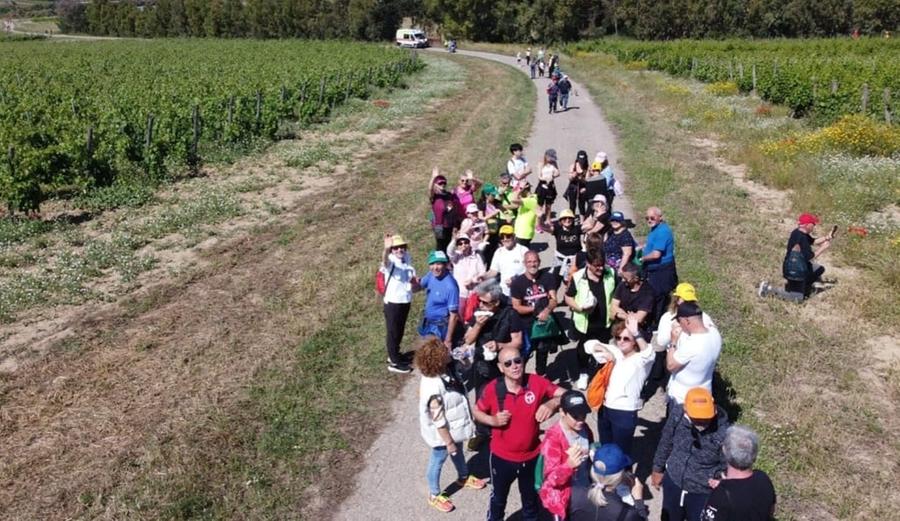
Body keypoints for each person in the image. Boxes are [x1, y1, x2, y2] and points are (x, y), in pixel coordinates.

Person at [474, 346, 565, 521]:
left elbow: (567, 395)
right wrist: (492, 420)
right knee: (498, 499)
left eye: (517, 361)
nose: (514, 366)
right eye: (508, 363)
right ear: (500, 368)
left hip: (531, 457)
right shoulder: (493, 389)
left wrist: (552, 403)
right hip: (501, 458)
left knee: (530, 501)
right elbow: (477, 411)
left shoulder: (536, 382)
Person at [416, 337, 487, 512]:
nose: (449, 351)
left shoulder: (447, 369)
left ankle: (463, 476)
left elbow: (466, 368)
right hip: (441, 434)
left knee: (458, 450)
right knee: (438, 459)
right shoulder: (433, 387)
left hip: (454, 427)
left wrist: (465, 359)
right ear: (438, 360)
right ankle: (434, 494)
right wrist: (448, 442)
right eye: (445, 352)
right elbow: (438, 419)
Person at [652, 387, 729, 521]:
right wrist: (657, 468)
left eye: (706, 418)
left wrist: (720, 483)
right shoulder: (678, 414)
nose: (701, 422)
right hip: (673, 482)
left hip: (702, 493)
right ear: (686, 410)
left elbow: (727, 466)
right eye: (696, 419)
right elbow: (666, 441)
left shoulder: (725, 433)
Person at [464, 279, 524, 451]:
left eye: (485, 302)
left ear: (496, 302)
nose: (481, 305)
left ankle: (507, 429)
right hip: (482, 363)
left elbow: (517, 342)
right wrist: (478, 324)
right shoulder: (479, 313)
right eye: (480, 301)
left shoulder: (510, 314)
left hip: (504, 364)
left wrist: (499, 346)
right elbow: (468, 340)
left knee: (505, 397)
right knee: (482, 397)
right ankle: (482, 432)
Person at [591, 317, 655, 458]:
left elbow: (649, 354)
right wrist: (604, 350)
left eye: (626, 339)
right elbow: (590, 345)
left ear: (635, 342)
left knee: (621, 454)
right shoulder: (616, 353)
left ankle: (625, 472)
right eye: (618, 337)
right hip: (605, 408)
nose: (621, 341)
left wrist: (636, 333)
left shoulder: (641, 361)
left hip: (625, 412)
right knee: (605, 448)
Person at [700, 425, 777, 521]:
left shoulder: (721, 495)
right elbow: (770, 512)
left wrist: (724, 489)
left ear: (725, 450)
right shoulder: (763, 478)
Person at [538, 390, 594, 519]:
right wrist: (568, 466)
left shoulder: (584, 429)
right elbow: (550, 480)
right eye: (575, 416)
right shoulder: (553, 439)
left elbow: (590, 447)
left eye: (583, 415)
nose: (581, 420)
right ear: (562, 412)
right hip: (564, 497)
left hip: (584, 488)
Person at [565, 248, 615, 390]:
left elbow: (617, 293)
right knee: (583, 349)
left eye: (602, 264)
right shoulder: (578, 277)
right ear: (588, 263)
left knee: (604, 349)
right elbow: (568, 297)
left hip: (605, 322)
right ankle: (583, 372)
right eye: (596, 265)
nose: (600, 268)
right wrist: (580, 308)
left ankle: (602, 376)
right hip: (585, 322)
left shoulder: (611, 273)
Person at [758, 212, 834, 303]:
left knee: (819, 269)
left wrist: (827, 237)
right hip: (795, 271)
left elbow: (813, 241)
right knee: (797, 298)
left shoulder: (798, 232)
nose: (814, 226)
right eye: (813, 224)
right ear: (808, 225)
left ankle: (803, 285)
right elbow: (810, 258)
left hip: (793, 266)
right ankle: (768, 289)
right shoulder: (802, 239)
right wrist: (823, 248)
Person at [567, 444, 650, 521]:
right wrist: (639, 502)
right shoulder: (627, 513)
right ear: (620, 476)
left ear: (592, 471)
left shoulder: (573, 494)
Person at [510, 251, 559, 375]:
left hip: (544, 323)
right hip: (526, 324)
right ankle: (520, 377)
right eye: (529, 262)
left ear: (539, 262)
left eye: (535, 261)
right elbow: (517, 307)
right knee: (524, 353)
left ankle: (540, 376)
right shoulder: (517, 283)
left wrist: (547, 310)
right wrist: (535, 310)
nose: (532, 264)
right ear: (524, 263)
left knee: (543, 351)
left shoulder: (548, 277)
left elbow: (554, 299)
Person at [666, 302, 722, 406]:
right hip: (705, 395)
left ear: (687, 321)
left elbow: (671, 365)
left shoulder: (692, 344)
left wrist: (673, 342)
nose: (679, 324)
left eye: (679, 321)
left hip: (683, 399)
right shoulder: (715, 334)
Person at [381, 233, 418, 374]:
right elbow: (384, 261)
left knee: (400, 330)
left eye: (402, 246)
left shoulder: (406, 257)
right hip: (393, 302)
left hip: (405, 299)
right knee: (393, 332)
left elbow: (409, 275)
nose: (399, 250)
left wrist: (413, 281)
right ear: (392, 250)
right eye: (395, 248)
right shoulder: (390, 260)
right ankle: (394, 363)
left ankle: (394, 354)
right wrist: (386, 249)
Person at [642, 206, 678, 327]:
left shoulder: (662, 231)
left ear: (660, 217)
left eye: (652, 218)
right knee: (654, 296)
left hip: (661, 271)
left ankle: (656, 325)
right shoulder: (656, 229)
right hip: (655, 270)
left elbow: (656, 254)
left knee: (658, 299)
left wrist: (642, 258)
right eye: (647, 218)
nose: (649, 220)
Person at [418, 250, 460, 348]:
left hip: (440, 327)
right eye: (432, 264)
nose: (435, 267)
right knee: (424, 350)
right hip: (427, 322)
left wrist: (448, 340)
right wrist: (413, 283)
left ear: (445, 265)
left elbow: (454, 316)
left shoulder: (451, 286)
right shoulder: (431, 275)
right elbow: (417, 288)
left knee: (433, 353)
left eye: (438, 264)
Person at [610, 263, 655, 340]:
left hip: (639, 332)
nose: (623, 280)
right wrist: (628, 316)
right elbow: (613, 307)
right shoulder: (622, 286)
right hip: (620, 329)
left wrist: (618, 314)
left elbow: (639, 319)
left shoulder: (647, 292)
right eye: (622, 277)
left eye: (626, 278)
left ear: (636, 279)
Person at [485, 224, 529, 296]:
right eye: (502, 237)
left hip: (521, 291)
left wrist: (515, 279)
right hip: (504, 292)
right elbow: (493, 271)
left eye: (508, 236)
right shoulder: (499, 252)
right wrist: (482, 277)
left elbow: (530, 271)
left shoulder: (523, 250)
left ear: (514, 236)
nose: (505, 239)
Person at [448, 233, 486, 307]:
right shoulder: (456, 256)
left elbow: (483, 273)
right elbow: (449, 251)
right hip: (459, 294)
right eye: (460, 243)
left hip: (474, 293)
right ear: (457, 246)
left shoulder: (477, 257)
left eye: (466, 242)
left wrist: (473, 281)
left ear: (469, 244)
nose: (463, 245)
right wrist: (454, 240)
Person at [552, 209, 582, 289]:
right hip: (560, 259)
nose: (567, 220)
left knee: (572, 282)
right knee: (555, 281)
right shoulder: (557, 229)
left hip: (574, 261)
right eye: (564, 218)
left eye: (570, 218)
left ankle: (569, 294)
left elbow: (590, 226)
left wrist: (596, 216)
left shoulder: (577, 229)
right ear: (560, 220)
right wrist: (540, 218)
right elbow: (544, 227)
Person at [429, 172, 458, 252]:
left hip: (449, 224)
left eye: (444, 183)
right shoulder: (434, 196)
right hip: (439, 226)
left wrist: (455, 224)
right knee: (440, 246)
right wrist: (433, 177)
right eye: (440, 183)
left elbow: (451, 208)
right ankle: (439, 259)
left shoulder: (448, 194)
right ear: (435, 185)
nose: (442, 184)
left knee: (448, 245)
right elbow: (430, 189)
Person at [479, 184, 503, 266]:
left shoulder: (497, 202)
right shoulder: (482, 204)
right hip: (486, 232)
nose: (494, 196)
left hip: (496, 229)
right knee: (487, 251)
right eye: (492, 195)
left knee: (494, 250)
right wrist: (493, 214)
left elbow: (504, 211)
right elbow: (481, 218)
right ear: (486, 195)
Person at [536, 148, 560, 232]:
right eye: (551, 158)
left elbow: (558, 173)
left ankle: (548, 220)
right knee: (540, 205)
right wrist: (545, 178)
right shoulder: (541, 164)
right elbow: (539, 176)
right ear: (546, 156)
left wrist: (552, 176)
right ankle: (538, 224)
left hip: (550, 186)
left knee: (549, 205)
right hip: (542, 186)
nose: (552, 160)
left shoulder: (554, 163)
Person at [511, 181, 539, 248]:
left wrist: (520, 190)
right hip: (523, 232)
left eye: (520, 189)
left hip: (523, 233)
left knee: (520, 252)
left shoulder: (530, 200)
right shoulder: (530, 198)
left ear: (524, 190)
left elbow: (513, 200)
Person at [565, 150, 590, 217]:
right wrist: (572, 176)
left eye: (583, 160)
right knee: (572, 205)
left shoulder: (587, 168)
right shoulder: (573, 166)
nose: (581, 162)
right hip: (573, 187)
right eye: (580, 160)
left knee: (581, 205)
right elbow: (569, 178)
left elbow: (587, 180)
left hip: (582, 188)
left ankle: (582, 220)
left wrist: (581, 178)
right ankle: (571, 219)